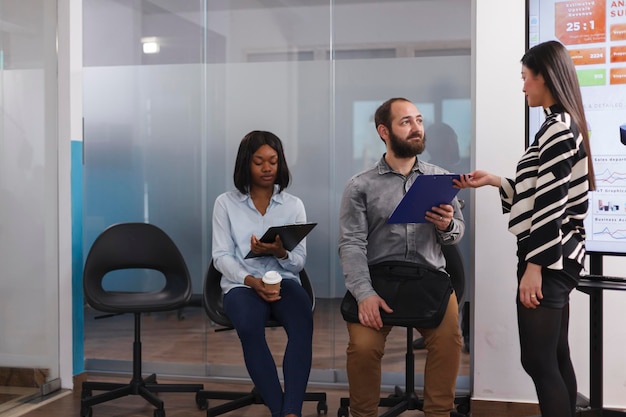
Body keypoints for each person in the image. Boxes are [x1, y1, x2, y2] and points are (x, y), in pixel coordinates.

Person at [454, 40, 595, 417]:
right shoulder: (562, 124)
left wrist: (535, 268)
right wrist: (495, 181)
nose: (522, 88)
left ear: (544, 77)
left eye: (525, 78)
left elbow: (550, 205)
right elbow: (542, 192)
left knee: (538, 361)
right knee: (554, 355)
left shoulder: (558, 129)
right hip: (559, 256)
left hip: (549, 259)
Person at [338, 97, 465, 417]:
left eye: (419, 121)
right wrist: (364, 295)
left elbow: (457, 233)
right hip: (379, 280)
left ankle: (438, 413)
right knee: (363, 348)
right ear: (384, 131)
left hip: (429, 278)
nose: (416, 128)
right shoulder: (360, 186)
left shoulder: (441, 178)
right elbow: (351, 245)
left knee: (449, 341)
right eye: (406, 122)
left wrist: (447, 224)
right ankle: (362, 414)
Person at [212, 130, 313, 417]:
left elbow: (299, 262)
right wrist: (251, 281)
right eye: (259, 162)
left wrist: (279, 252)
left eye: (273, 161)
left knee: (303, 324)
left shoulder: (293, 205)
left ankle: (290, 411)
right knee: (249, 328)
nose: (267, 168)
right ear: (246, 164)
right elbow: (220, 256)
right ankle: (283, 412)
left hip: (284, 280)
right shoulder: (225, 203)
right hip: (241, 283)